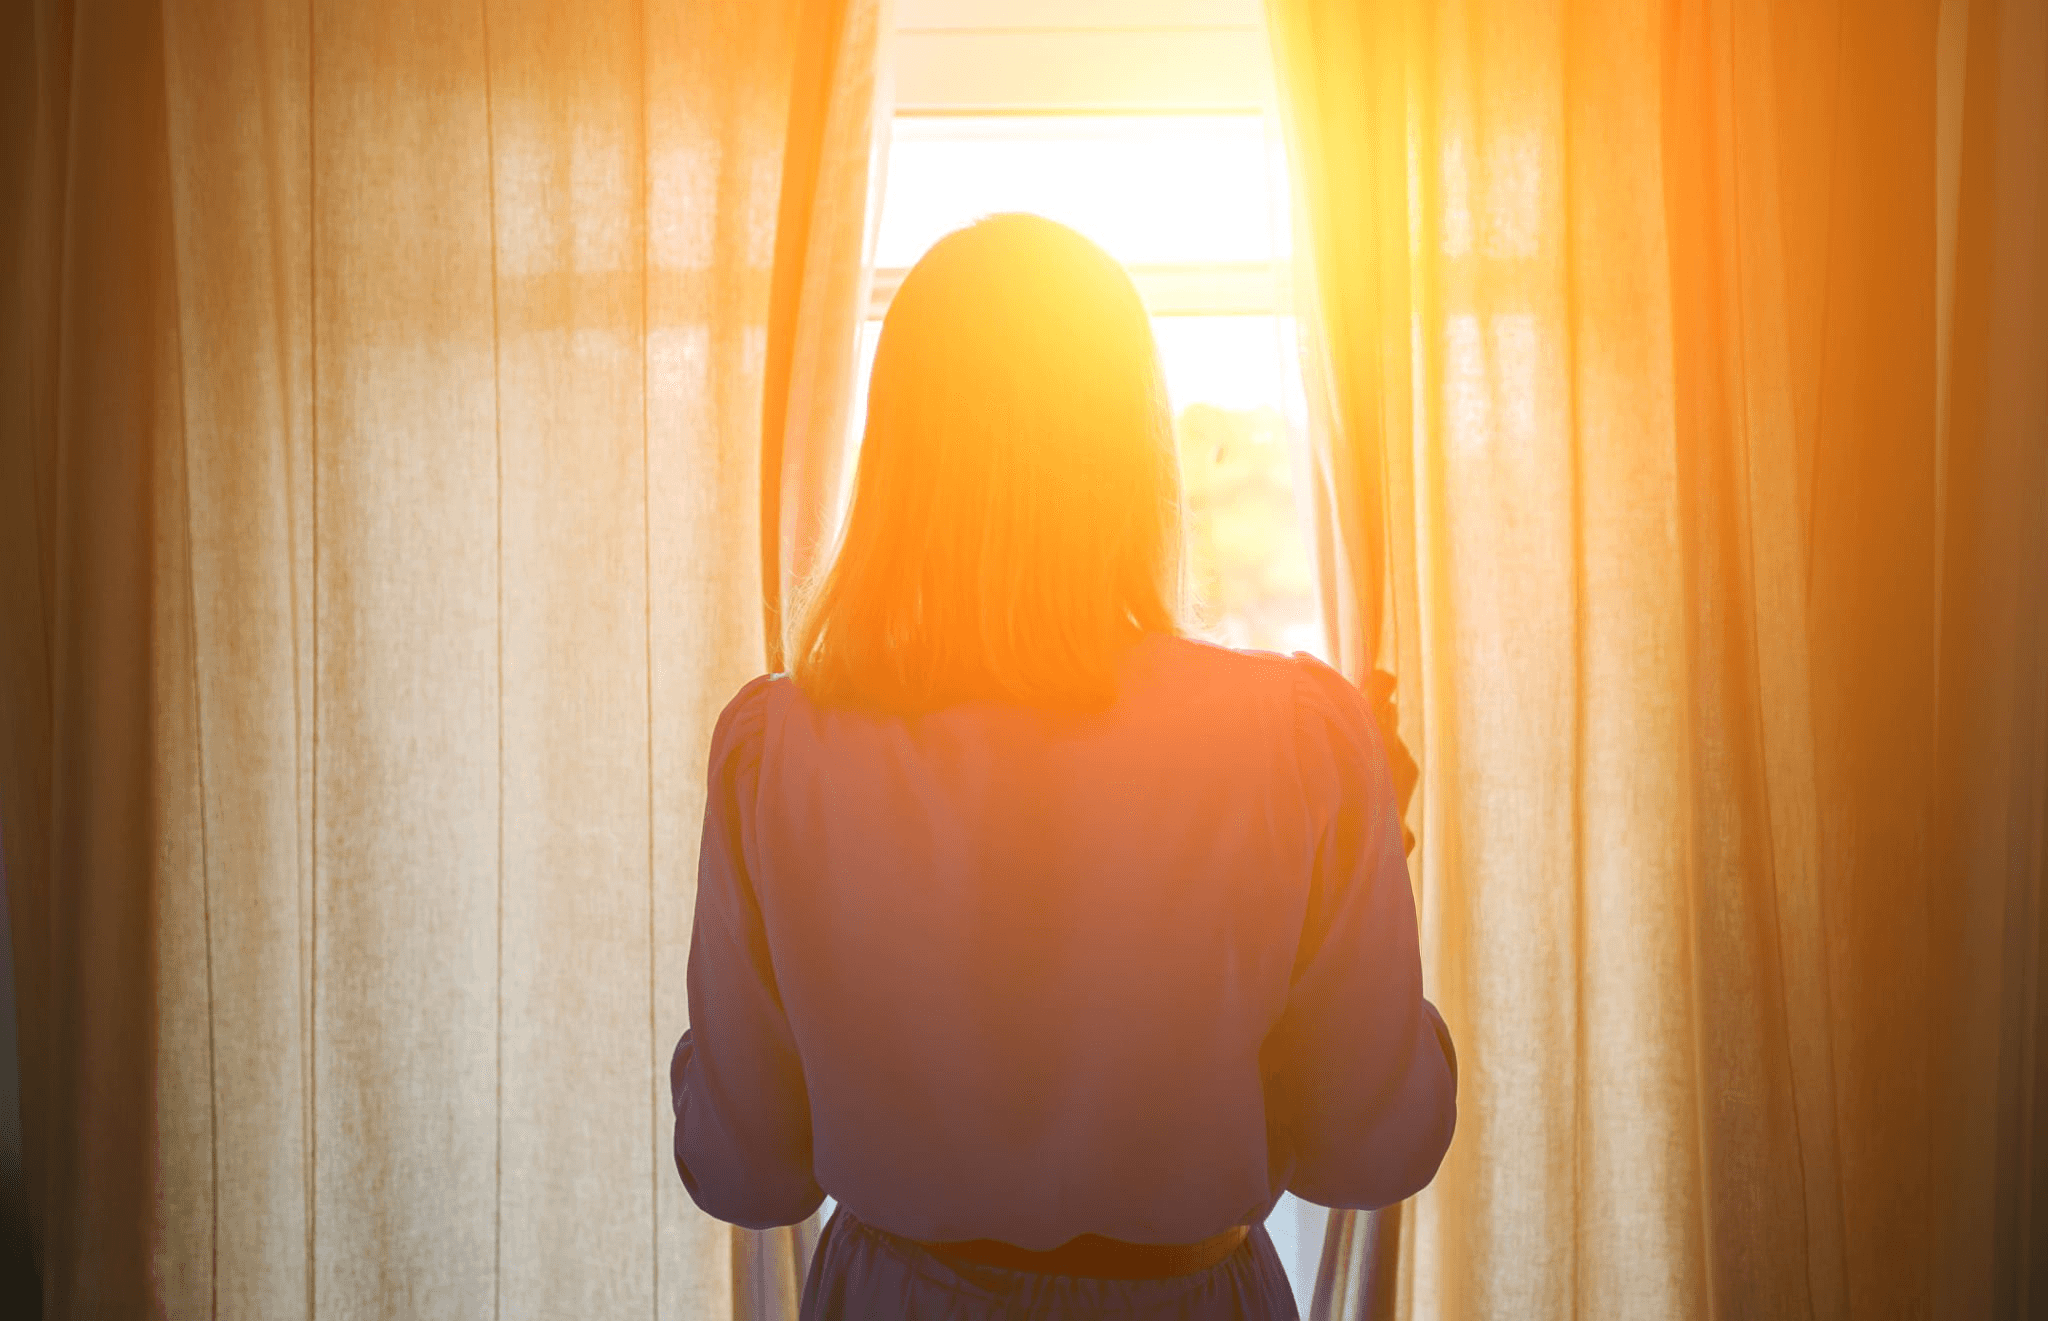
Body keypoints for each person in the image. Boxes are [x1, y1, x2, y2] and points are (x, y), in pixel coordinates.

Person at [669, 213, 1456, 1320]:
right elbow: (1373, 1149)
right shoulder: (1293, 746)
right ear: (1127, 443)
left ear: (897, 448)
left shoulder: (778, 753)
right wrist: (1368, 850)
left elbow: (744, 1168)